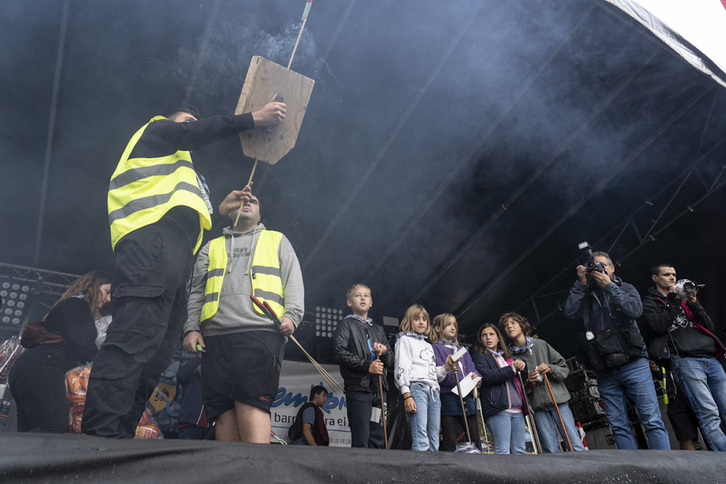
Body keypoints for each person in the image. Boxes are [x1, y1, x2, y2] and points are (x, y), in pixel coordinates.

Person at [82, 99, 286, 439]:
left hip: (174, 257)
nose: (191, 123)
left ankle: (118, 440)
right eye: (186, 120)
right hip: (150, 244)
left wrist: (219, 210)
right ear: (169, 121)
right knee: (132, 343)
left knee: (154, 357)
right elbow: (192, 133)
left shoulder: (181, 169)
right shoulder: (155, 131)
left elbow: (184, 218)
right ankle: (98, 440)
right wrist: (252, 118)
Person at [182, 189, 303, 443]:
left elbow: (293, 281)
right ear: (230, 210)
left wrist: (292, 316)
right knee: (221, 410)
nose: (247, 203)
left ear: (260, 213)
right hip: (215, 337)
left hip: (259, 332)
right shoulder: (210, 246)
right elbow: (195, 291)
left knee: (252, 403)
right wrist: (191, 327)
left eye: (253, 201)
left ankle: (256, 472)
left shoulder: (277, 239)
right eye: (242, 201)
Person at [563, 251, 670, 450]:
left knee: (652, 421)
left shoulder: (625, 287)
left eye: (602, 265)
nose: (598, 269)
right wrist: (580, 284)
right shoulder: (586, 295)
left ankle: (664, 472)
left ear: (612, 268)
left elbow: (635, 311)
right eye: (593, 266)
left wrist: (609, 286)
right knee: (618, 426)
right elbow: (569, 312)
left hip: (634, 364)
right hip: (605, 369)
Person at [10, 271, 111, 432]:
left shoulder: (72, 305)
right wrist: (106, 366)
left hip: (31, 368)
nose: (108, 299)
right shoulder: (77, 305)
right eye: (106, 292)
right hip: (42, 366)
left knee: (30, 432)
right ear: (94, 286)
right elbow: (83, 341)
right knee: (52, 427)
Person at [642, 264, 726, 451]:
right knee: (709, 413)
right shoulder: (650, 302)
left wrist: (694, 304)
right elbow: (658, 326)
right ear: (655, 278)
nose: (672, 278)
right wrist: (674, 300)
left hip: (710, 358)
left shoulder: (686, 299)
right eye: (666, 275)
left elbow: (709, 326)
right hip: (685, 360)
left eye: (674, 274)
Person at [500, 311, 586, 453]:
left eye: (513, 323)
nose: (509, 327)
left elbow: (564, 368)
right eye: (506, 326)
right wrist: (529, 383)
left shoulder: (540, 344)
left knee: (574, 443)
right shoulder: (509, 357)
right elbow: (514, 388)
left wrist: (550, 368)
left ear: (522, 325)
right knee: (550, 449)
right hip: (537, 406)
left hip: (558, 400)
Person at [333, 283, 393, 448]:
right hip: (359, 388)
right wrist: (367, 366)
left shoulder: (378, 329)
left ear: (371, 302)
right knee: (361, 437)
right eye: (358, 295)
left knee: (378, 437)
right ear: (349, 302)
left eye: (366, 295)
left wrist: (385, 351)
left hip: (378, 389)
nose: (363, 298)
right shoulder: (346, 325)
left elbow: (390, 361)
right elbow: (340, 353)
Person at [394, 304, 451, 451]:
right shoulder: (404, 340)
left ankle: (433, 472)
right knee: (421, 437)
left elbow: (434, 375)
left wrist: (446, 367)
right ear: (408, 321)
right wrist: (407, 394)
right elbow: (402, 368)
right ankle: (420, 472)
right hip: (417, 389)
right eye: (417, 319)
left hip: (434, 392)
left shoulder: (428, 345)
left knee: (434, 438)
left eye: (424, 319)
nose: (421, 322)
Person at [471, 323, 527, 454]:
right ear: (480, 340)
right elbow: (487, 376)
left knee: (520, 451)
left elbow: (520, 379)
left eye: (491, 334)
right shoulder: (479, 356)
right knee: (502, 450)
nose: (488, 338)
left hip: (517, 409)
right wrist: (512, 368)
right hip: (498, 409)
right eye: (484, 335)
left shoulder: (506, 356)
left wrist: (522, 366)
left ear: (498, 338)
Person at [431, 313, 481, 452]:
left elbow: (472, 368)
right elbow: (440, 374)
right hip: (448, 398)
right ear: (437, 329)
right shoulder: (435, 348)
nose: (452, 328)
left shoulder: (462, 350)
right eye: (448, 325)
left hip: (468, 399)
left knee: (474, 437)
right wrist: (456, 379)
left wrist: (476, 379)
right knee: (450, 438)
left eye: (454, 325)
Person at [176, 353, 207, 440]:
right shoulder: (191, 378)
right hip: (189, 425)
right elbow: (181, 375)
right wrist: (199, 359)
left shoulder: (214, 381)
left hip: (209, 428)